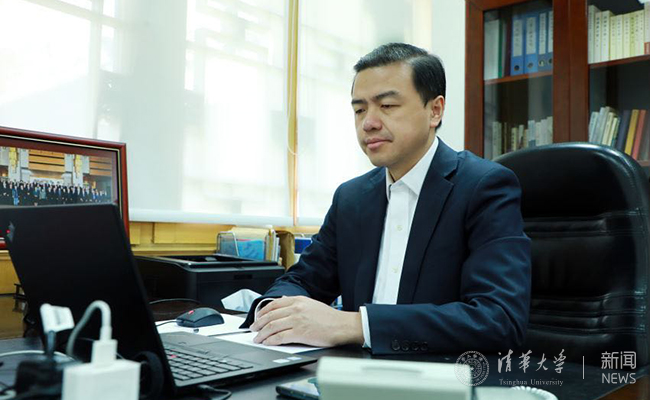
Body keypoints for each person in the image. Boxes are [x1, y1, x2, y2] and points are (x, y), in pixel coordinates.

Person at [242, 43, 531, 355]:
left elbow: (498, 320)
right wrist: (274, 310)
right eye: (359, 110)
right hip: (354, 372)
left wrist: (355, 326)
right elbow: (303, 280)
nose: (368, 123)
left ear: (435, 110)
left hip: (441, 374)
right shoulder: (351, 198)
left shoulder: (483, 187)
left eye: (387, 106)